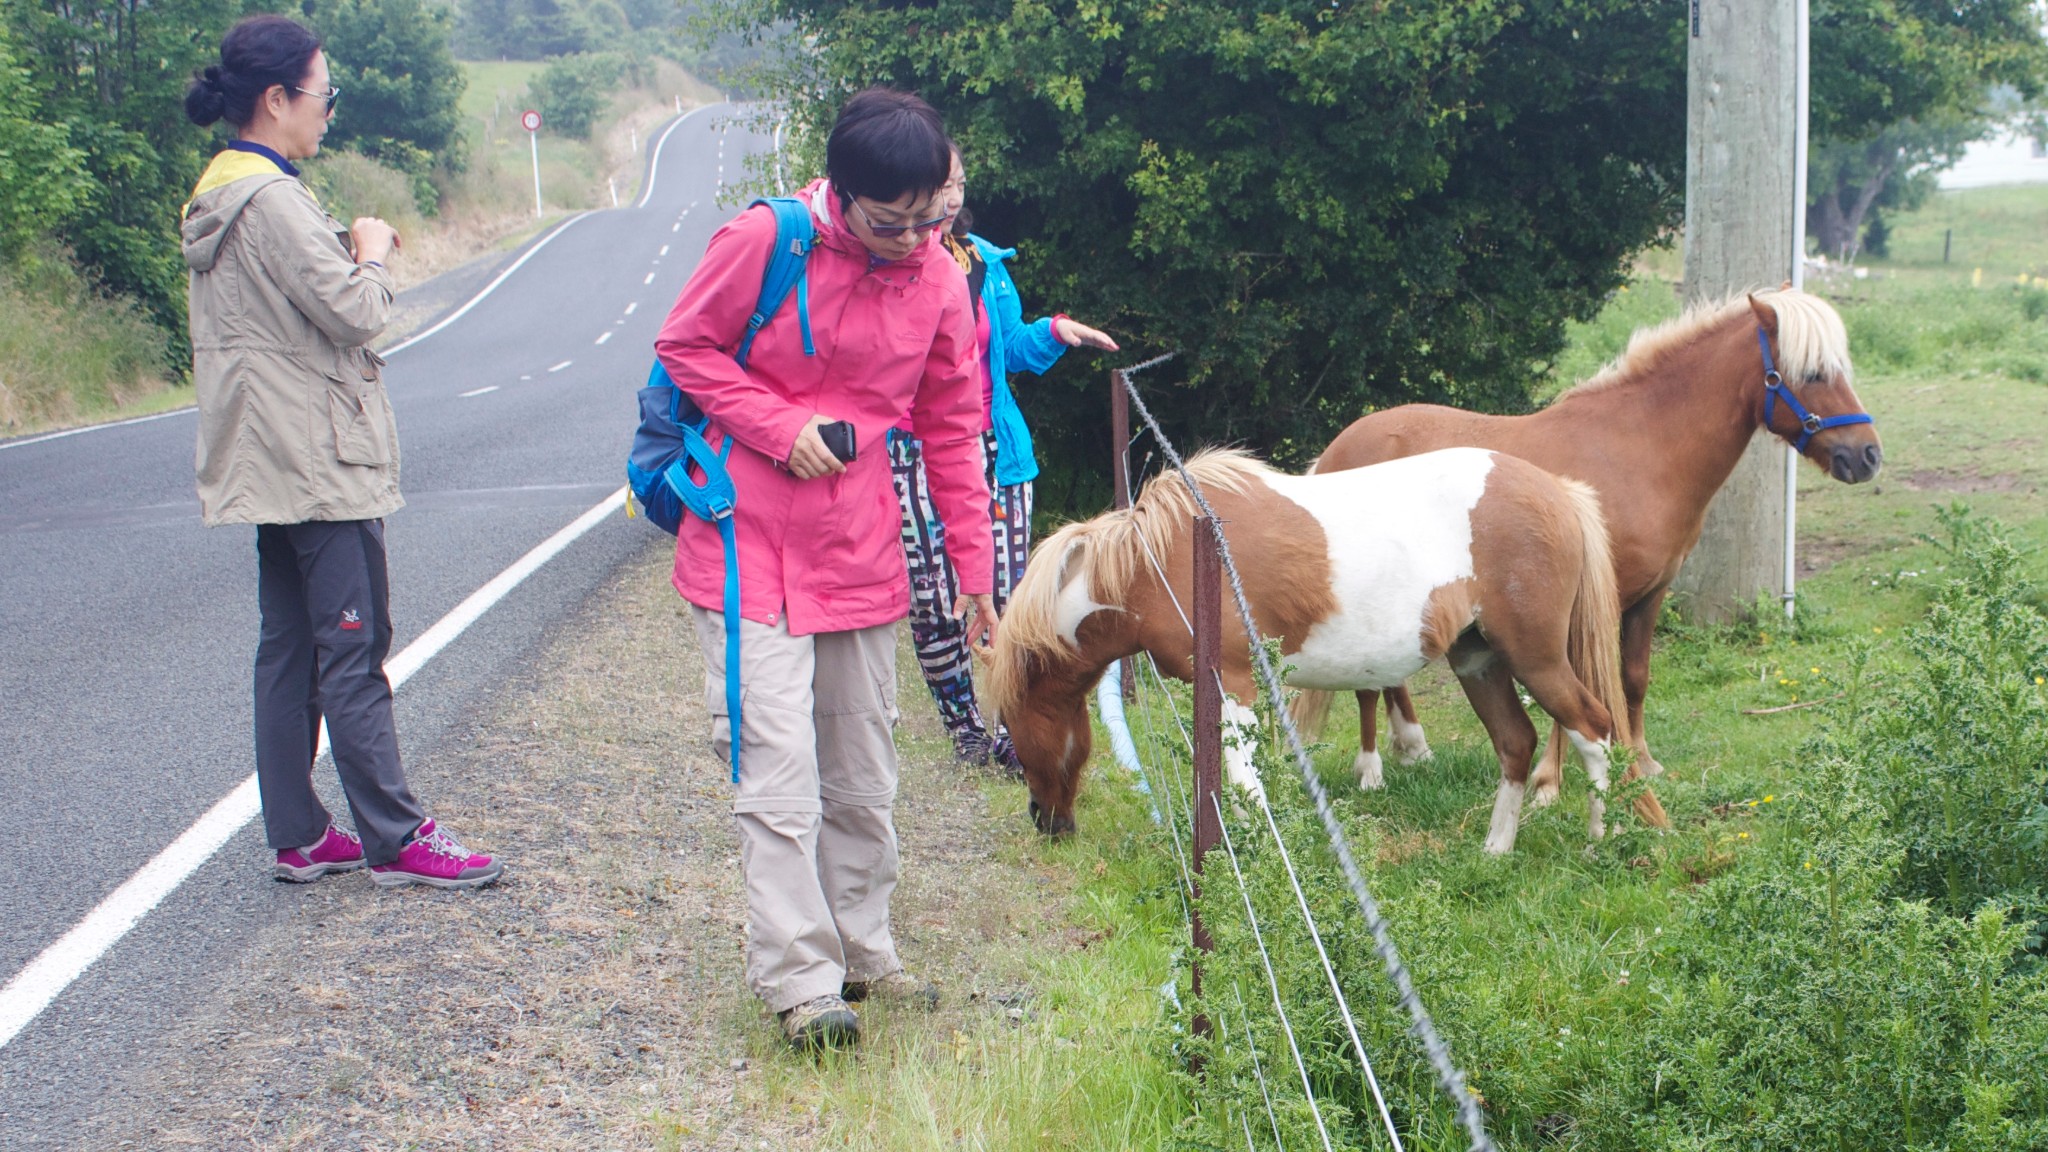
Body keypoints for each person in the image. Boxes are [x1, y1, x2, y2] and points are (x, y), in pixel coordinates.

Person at [652, 89, 995, 1052]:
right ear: (841, 197)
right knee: (779, 772)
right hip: (744, 545)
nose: (914, 239)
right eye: (892, 223)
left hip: (860, 551)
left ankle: (864, 952)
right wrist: (779, 426)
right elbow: (685, 348)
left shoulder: (939, 277)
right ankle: (801, 983)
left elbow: (953, 429)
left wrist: (974, 574)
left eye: (933, 219)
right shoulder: (765, 243)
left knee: (863, 772)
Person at [182, 14, 503, 891]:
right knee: (353, 648)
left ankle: (299, 833)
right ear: (277, 100)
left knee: (289, 647)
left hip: (267, 457)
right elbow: (354, 314)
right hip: (320, 461)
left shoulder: (218, 192)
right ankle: (397, 836)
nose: (329, 112)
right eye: (323, 96)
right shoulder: (274, 201)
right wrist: (371, 255)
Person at [889, 145, 1118, 770]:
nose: (953, 196)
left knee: (1005, 598)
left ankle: (1007, 731)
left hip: (996, 450)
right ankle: (963, 726)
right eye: (942, 184)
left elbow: (1010, 346)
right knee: (936, 598)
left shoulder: (985, 260)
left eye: (960, 183)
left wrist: (1053, 332)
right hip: (914, 448)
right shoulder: (887, 265)